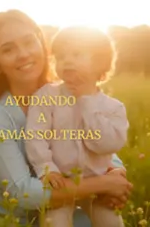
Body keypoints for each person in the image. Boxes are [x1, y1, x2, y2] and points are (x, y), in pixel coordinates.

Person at [0, 10, 131, 224]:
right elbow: (22, 192)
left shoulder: (69, 92)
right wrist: (103, 184)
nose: (23, 54)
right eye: (8, 49)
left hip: (65, 202)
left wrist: (116, 172)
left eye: (29, 42)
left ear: (42, 45)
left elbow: (94, 141)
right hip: (10, 218)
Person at [24, 25, 127, 227]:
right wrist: (47, 169)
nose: (67, 61)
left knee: (112, 222)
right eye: (61, 56)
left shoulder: (113, 108)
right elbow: (36, 136)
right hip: (61, 182)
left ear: (100, 63)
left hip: (98, 186)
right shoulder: (46, 97)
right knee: (55, 222)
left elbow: (106, 145)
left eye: (77, 54)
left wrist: (86, 101)